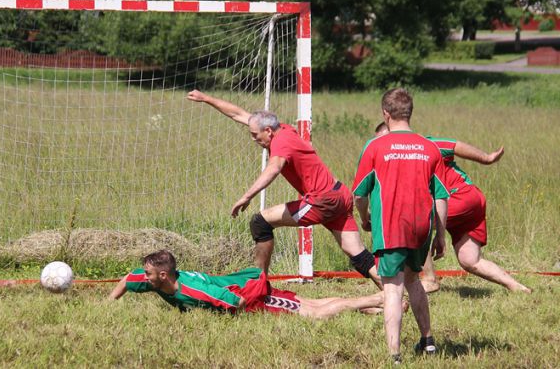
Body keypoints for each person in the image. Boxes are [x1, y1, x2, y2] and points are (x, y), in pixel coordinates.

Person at [186, 90, 380, 287]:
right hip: (339, 195)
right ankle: (391, 293)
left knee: (260, 222)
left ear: (268, 131)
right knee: (358, 254)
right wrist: (207, 99)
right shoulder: (283, 130)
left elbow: (273, 168)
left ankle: (258, 287)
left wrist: (247, 196)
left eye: (255, 135)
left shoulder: (281, 142)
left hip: (322, 201)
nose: (253, 139)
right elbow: (239, 114)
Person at [352, 88, 449, 364]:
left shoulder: (375, 146)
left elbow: (358, 194)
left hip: (391, 227)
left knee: (392, 288)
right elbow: (441, 196)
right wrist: (440, 236)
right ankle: (428, 342)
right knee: (413, 279)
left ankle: (394, 356)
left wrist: (365, 218)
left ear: (386, 114)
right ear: (410, 112)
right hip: (421, 228)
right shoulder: (430, 147)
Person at [375, 122, 530, 293]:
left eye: (385, 139)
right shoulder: (390, 164)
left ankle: (429, 279)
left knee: (416, 223)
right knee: (470, 260)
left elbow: (454, 146)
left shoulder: (425, 145)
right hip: (469, 204)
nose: (382, 146)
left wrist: (486, 158)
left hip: (461, 196)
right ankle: (517, 287)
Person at [108, 249, 387, 318]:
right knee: (306, 304)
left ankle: (376, 300)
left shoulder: (195, 291)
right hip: (244, 288)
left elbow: (237, 303)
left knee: (310, 311)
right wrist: (106, 305)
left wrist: (224, 318)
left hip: (250, 295)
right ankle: (372, 307)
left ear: (164, 276)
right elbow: (126, 280)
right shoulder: (157, 282)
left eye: (148, 275)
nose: (143, 278)